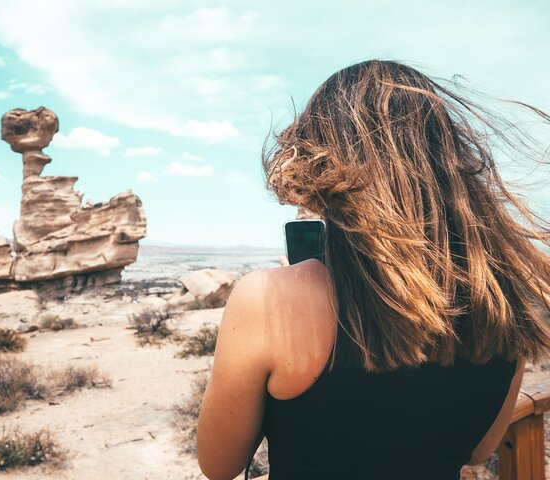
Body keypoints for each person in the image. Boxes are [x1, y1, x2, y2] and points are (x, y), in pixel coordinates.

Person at [196, 60, 550, 480]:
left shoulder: (267, 300)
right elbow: (478, 450)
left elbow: (218, 465)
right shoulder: (508, 301)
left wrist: (294, 283)